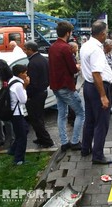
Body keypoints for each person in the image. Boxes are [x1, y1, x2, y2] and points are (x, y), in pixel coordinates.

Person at [80, 20, 112, 164]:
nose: (106, 35)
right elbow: (96, 74)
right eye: (106, 32)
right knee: (101, 123)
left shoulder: (86, 45)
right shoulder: (95, 49)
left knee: (89, 120)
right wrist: (103, 96)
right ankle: (98, 155)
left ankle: (85, 148)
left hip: (89, 86)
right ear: (102, 34)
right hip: (97, 88)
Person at [48, 21, 85, 152]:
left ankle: (64, 142)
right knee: (81, 113)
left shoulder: (52, 47)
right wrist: (78, 67)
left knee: (62, 114)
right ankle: (75, 141)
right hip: (66, 87)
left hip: (56, 87)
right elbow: (72, 69)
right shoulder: (65, 48)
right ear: (68, 33)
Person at [23, 41, 54, 148]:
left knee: (36, 119)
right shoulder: (43, 59)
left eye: (25, 49)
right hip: (42, 91)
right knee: (38, 117)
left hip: (35, 95)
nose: (24, 51)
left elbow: (33, 82)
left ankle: (46, 140)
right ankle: (41, 138)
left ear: (31, 50)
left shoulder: (33, 63)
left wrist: (28, 95)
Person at [8, 64, 30, 165]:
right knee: (22, 137)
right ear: (20, 74)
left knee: (24, 130)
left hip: (14, 112)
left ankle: (12, 150)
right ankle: (18, 160)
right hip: (17, 113)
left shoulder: (12, 80)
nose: (26, 74)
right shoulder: (18, 85)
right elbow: (23, 100)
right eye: (25, 73)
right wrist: (25, 86)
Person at [0, 46, 15, 149]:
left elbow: (10, 77)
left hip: (2, 96)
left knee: (7, 119)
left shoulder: (2, 64)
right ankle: (0, 140)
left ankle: (12, 140)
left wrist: (6, 88)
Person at [103, 39, 112, 115]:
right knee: (107, 93)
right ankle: (106, 109)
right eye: (111, 45)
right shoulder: (102, 54)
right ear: (106, 46)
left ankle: (109, 108)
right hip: (107, 78)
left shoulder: (110, 54)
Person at [67, 41, 80, 126]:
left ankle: (71, 117)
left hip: (73, 79)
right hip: (71, 80)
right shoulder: (70, 57)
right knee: (72, 99)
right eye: (76, 47)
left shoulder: (73, 56)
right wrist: (77, 67)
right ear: (72, 48)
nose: (77, 49)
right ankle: (72, 118)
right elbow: (73, 68)